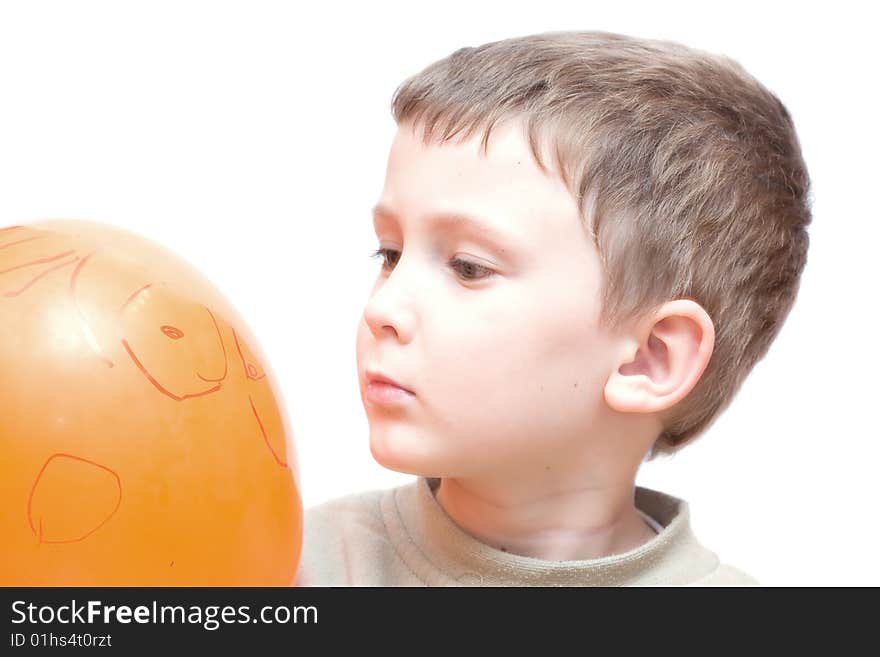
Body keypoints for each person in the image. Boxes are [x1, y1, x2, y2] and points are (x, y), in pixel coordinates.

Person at [295, 30, 811, 586]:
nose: (384, 307)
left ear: (649, 359)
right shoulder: (276, 566)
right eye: (390, 253)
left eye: (469, 267)